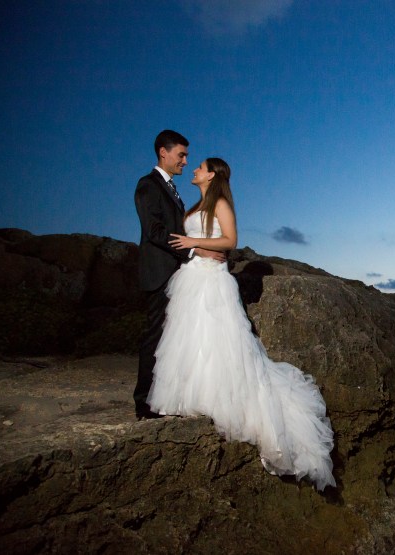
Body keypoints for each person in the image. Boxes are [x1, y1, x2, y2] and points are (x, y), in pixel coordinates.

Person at [146, 157, 336, 491]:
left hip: (213, 280)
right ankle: (189, 397)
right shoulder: (196, 205)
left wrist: (194, 243)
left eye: (200, 166)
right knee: (190, 338)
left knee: (219, 341)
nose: (193, 168)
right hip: (191, 278)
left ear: (212, 174)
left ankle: (224, 402)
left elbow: (229, 241)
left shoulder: (219, 202)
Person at [133, 130, 224, 420]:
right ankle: (144, 402)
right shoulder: (148, 186)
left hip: (178, 275)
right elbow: (155, 232)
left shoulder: (171, 189)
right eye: (181, 155)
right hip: (159, 273)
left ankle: (169, 396)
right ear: (164, 152)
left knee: (173, 339)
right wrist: (195, 251)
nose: (186, 161)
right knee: (155, 337)